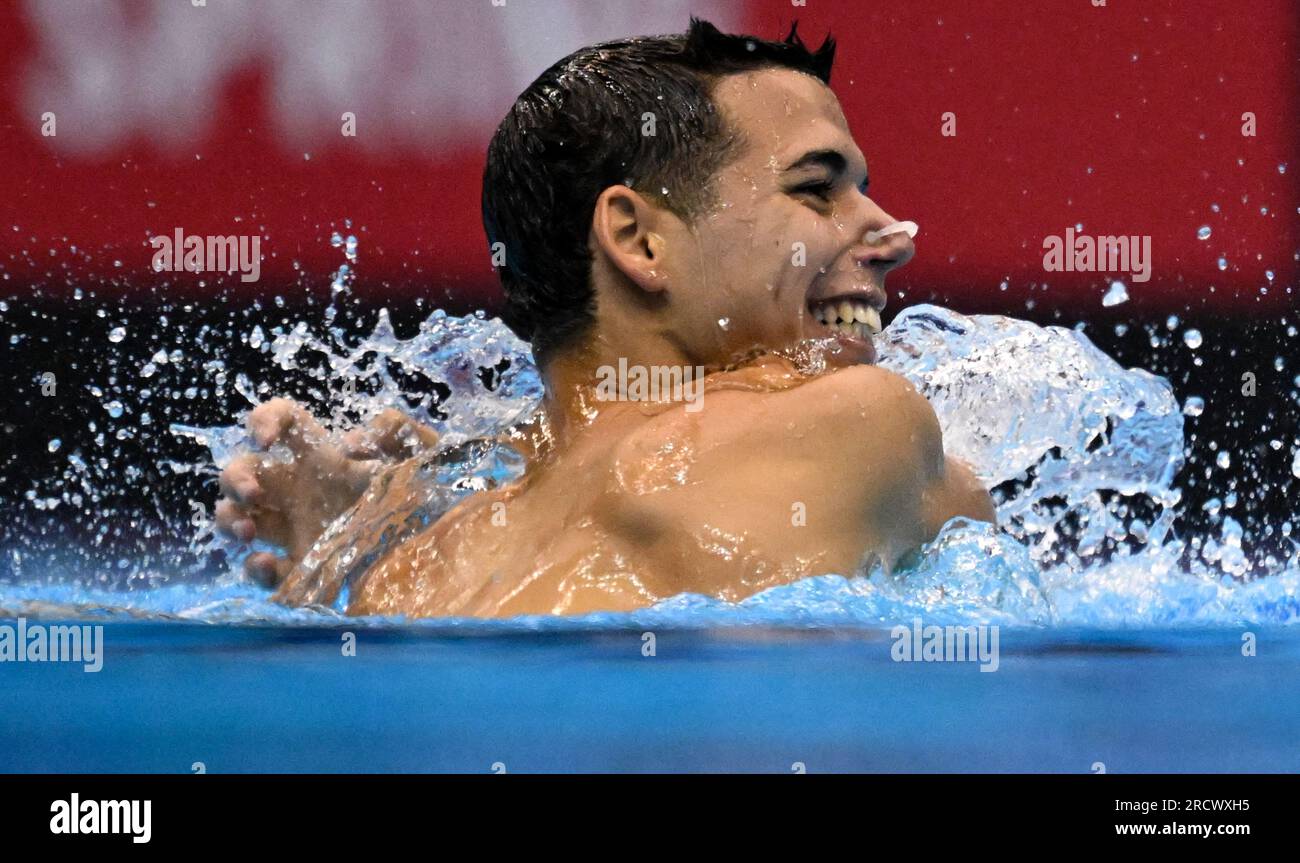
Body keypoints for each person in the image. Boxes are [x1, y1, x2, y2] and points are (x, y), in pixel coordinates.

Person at [214, 18, 994, 618]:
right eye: (817, 188)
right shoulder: (863, 425)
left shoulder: (413, 572)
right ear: (638, 239)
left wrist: (343, 559)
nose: (894, 236)